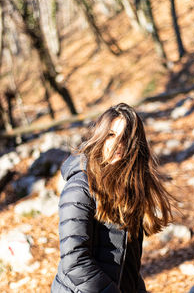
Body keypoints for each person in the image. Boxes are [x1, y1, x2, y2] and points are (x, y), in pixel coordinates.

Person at [51, 103, 175, 293]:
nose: (118, 143)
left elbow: (129, 262)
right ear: (100, 136)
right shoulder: (80, 187)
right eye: (111, 135)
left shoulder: (129, 187)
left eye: (125, 137)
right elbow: (75, 261)